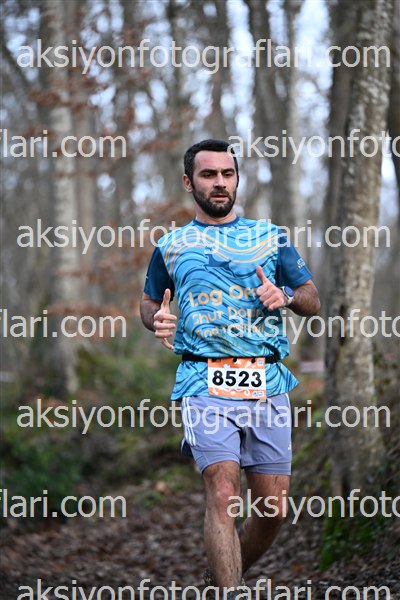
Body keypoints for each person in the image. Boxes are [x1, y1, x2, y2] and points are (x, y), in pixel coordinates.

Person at [140, 139, 320, 598]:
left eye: (227, 174)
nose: (219, 183)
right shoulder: (171, 245)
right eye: (208, 175)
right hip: (203, 379)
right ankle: (231, 591)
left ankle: (223, 573)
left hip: (267, 381)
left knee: (274, 509)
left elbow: (312, 299)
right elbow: (149, 301)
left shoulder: (270, 236)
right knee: (223, 494)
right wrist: (156, 318)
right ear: (189, 183)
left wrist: (286, 296)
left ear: (237, 179)